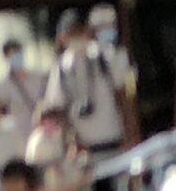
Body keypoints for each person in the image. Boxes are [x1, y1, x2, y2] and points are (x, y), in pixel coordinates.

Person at [43, 8, 124, 152]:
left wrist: (130, 136)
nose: (76, 38)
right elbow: (56, 105)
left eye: (78, 32)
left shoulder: (105, 55)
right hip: (84, 145)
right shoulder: (61, 67)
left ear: (87, 31)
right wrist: (70, 140)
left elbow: (123, 92)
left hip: (113, 137)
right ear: (62, 37)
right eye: (71, 34)